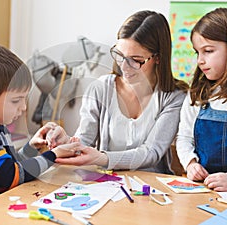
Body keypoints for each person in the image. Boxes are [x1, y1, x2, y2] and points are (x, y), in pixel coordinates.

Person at [0, 44, 81, 218]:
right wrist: (53, 155)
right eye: (16, 100)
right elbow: (11, 176)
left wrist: (32, 147)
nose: (24, 107)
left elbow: (12, 165)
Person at [55, 10, 188, 173]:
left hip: (153, 190)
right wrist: (65, 142)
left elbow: (151, 153)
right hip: (107, 186)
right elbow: (84, 142)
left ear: (158, 58)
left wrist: (102, 158)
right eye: (119, 55)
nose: (123, 66)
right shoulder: (100, 89)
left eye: (136, 60)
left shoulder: (174, 97)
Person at [176, 7, 227, 191]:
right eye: (197, 52)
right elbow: (184, 138)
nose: (200, 60)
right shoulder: (198, 94)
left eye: (208, 51)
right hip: (204, 192)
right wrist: (190, 163)